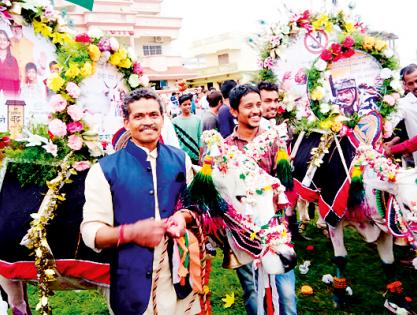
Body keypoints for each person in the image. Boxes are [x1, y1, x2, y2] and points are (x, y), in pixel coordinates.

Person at [81, 88, 200, 315]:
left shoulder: (180, 159)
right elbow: (91, 233)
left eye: (154, 115)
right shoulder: (104, 170)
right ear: (126, 122)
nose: (148, 122)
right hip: (133, 287)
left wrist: (182, 217)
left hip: (180, 279)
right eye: (139, 116)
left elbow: (192, 205)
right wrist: (131, 232)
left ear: (163, 118)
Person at [225, 84, 297, 315]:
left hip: (275, 228)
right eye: (249, 106)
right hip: (242, 233)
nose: (256, 110)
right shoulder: (224, 148)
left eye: (259, 104)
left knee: (286, 294)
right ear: (234, 111)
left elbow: (286, 185)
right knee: (253, 292)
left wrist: (280, 201)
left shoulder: (274, 141)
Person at [388, 64, 417, 166]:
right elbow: (390, 122)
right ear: (405, 85)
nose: (415, 86)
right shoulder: (403, 104)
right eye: (410, 83)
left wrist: (391, 149)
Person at [172, 93, 202, 164]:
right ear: (180, 106)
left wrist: (200, 157)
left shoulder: (198, 119)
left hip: (195, 155)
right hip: (181, 156)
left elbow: (200, 138)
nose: (188, 106)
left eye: (189, 104)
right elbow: (173, 140)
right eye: (185, 105)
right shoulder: (174, 121)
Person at [0, 30, 20, 96]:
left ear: (8, 42)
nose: (2, 42)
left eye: (4, 39)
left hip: (10, 95)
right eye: (0, 39)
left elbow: (16, 81)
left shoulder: (13, 60)